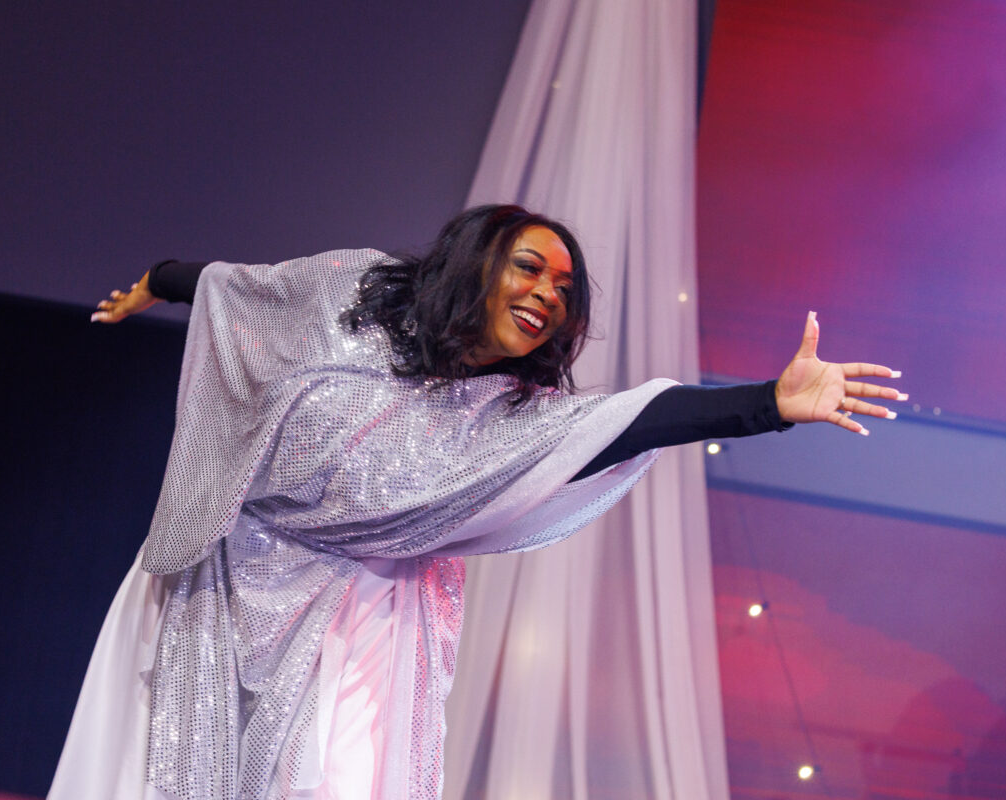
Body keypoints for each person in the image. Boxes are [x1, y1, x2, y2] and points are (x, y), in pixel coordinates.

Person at [50, 205, 903, 800]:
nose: (548, 295)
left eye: (564, 290)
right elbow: (244, 290)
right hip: (219, 585)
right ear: (475, 264)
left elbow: (639, 417)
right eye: (530, 268)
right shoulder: (355, 291)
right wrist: (159, 280)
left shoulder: (511, 421)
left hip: (364, 621)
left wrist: (768, 404)